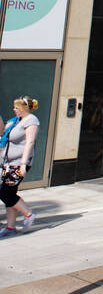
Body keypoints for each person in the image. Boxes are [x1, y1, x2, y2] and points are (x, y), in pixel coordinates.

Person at [0, 97, 40, 236]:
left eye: (17, 107)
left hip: (18, 163)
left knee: (5, 193)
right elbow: (2, 134)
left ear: (24, 108)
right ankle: (10, 227)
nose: (14, 110)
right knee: (9, 194)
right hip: (7, 163)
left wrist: (23, 165)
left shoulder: (31, 121)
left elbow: (29, 143)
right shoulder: (14, 121)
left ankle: (28, 214)